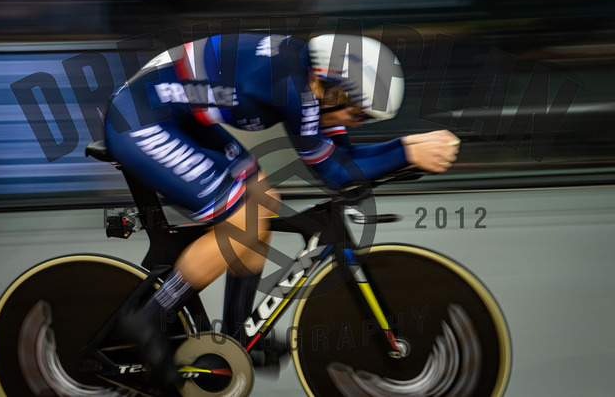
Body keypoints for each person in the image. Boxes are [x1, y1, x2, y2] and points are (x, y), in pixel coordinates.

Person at [103, 32, 460, 387]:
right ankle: (149, 317)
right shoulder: (293, 89)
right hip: (139, 121)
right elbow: (335, 173)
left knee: (262, 199)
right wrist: (406, 151)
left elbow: (343, 156)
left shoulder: (313, 81)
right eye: (359, 112)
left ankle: (236, 335)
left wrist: (407, 147)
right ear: (329, 88)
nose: (357, 122)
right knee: (246, 221)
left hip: (174, 115)